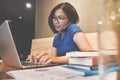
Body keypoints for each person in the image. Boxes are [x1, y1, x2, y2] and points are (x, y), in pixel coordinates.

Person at [27, 2, 92, 65]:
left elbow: (89, 54)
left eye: (60, 18)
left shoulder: (73, 29)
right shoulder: (57, 37)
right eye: (54, 18)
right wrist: (39, 58)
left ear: (70, 20)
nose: (55, 21)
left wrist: (56, 59)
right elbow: (53, 57)